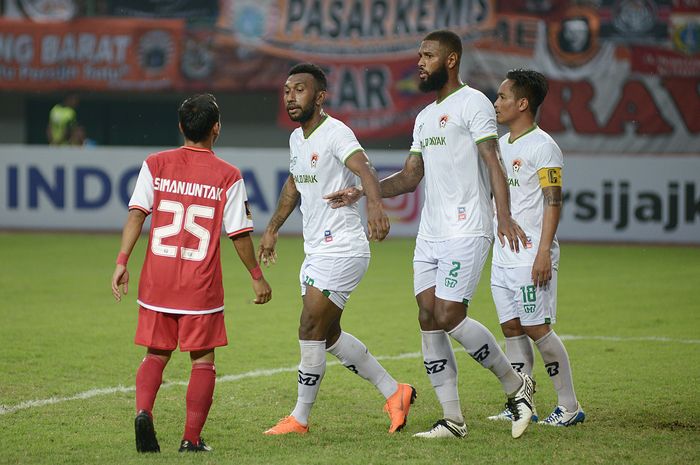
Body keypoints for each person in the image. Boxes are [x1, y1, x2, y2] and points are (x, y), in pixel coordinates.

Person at [324, 30, 535, 439]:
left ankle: (516, 387)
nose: (419, 62)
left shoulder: (473, 103)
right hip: (432, 233)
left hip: (468, 226)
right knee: (427, 316)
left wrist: (503, 215)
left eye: (427, 55)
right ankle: (453, 420)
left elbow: (493, 162)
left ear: (451, 59)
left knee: (449, 314)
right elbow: (410, 176)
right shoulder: (423, 118)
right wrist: (363, 191)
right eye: (419, 55)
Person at [258, 63, 416, 436]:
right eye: (286, 91)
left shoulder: (336, 132)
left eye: (299, 90)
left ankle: (299, 418)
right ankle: (396, 393)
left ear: (319, 96)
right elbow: (293, 187)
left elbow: (365, 169)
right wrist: (271, 229)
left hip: (342, 248)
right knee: (328, 336)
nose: (290, 97)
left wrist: (375, 206)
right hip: (316, 251)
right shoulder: (298, 140)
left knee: (309, 326)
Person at [110, 94, 272, 453]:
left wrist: (122, 261)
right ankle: (191, 438)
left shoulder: (155, 164)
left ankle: (143, 412)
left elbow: (136, 214)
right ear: (216, 128)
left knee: (155, 355)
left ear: (181, 126)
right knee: (203, 360)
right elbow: (239, 234)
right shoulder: (228, 176)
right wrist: (256, 275)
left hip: (157, 281)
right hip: (200, 286)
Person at [487, 69, 585, 426]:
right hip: (503, 254)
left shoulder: (543, 146)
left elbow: (552, 201)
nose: (496, 103)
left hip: (531, 254)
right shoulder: (500, 144)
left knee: (538, 329)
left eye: (502, 97)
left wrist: (544, 251)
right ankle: (519, 401)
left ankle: (569, 406)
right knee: (512, 327)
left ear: (523, 103)